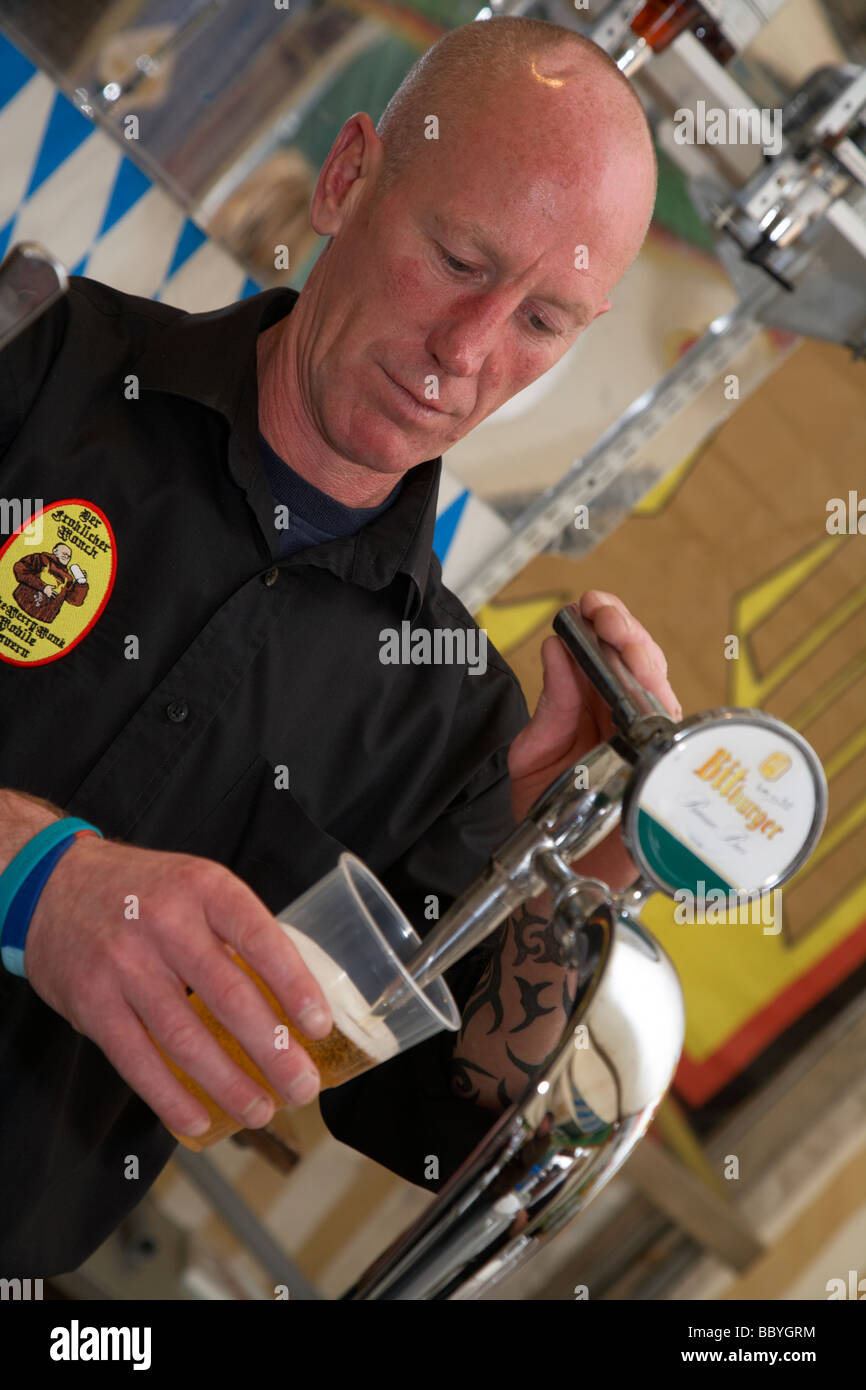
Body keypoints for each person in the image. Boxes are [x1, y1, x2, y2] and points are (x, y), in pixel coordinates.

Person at [0, 16, 681, 1275]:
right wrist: (34, 876)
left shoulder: (460, 722)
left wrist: (572, 863)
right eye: (458, 257)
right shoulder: (45, 361)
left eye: (544, 320)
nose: (467, 355)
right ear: (348, 175)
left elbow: (427, 1125)